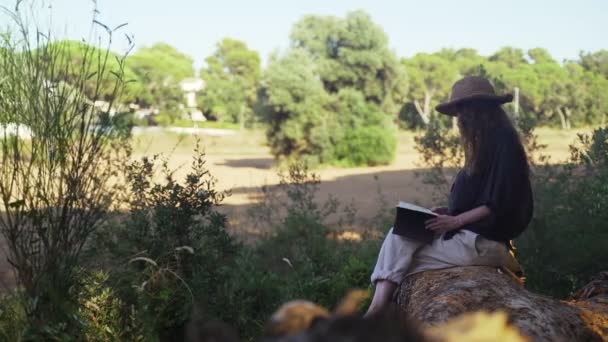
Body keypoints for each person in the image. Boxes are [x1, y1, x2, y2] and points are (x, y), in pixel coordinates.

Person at [365, 76, 533, 316]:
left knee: (401, 251)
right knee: (403, 240)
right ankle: (378, 309)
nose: (459, 120)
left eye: (462, 112)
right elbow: (482, 200)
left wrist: (455, 221)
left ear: (477, 111)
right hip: (470, 240)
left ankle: (375, 311)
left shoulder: (503, 143)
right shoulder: (485, 145)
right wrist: (448, 211)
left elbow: (498, 203)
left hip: (483, 244)